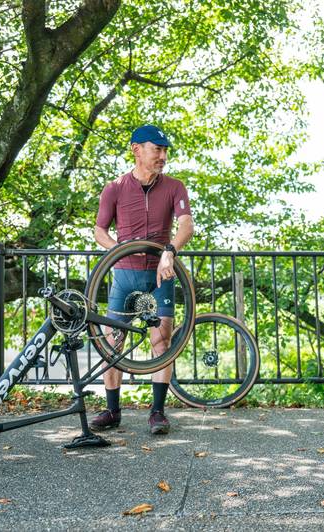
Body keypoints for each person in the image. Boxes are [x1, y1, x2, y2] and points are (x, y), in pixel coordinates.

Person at [91, 124, 194, 435]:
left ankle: (158, 412)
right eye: (157, 149)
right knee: (112, 342)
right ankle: (112, 411)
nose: (163, 156)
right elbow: (99, 231)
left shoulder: (175, 187)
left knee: (161, 341)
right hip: (124, 274)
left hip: (161, 274)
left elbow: (186, 226)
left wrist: (170, 251)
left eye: (165, 151)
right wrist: (119, 249)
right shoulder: (114, 188)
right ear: (137, 149)